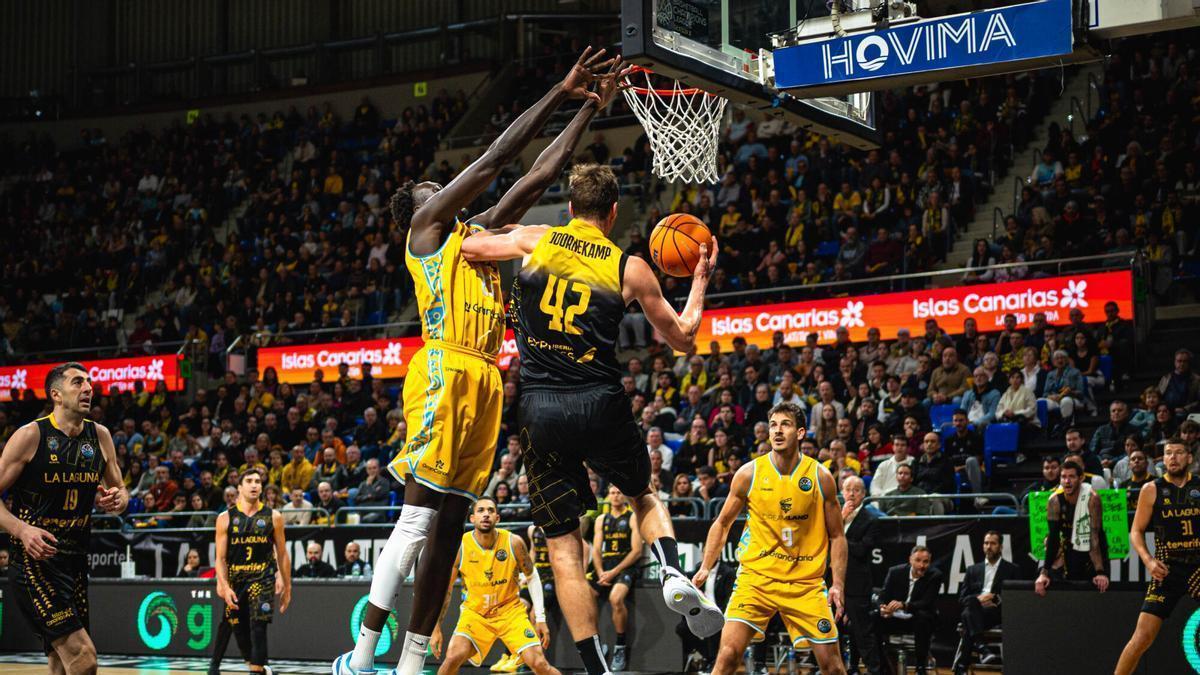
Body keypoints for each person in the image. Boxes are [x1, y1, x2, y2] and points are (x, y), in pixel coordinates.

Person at [336, 48, 621, 675]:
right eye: (431, 191)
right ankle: (361, 656)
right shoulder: (427, 233)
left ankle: (411, 662)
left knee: (450, 524)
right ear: (419, 211)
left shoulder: (475, 237)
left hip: (487, 379)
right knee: (416, 517)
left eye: (440, 188)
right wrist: (559, 88)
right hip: (443, 367)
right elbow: (496, 159)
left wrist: (588, 111)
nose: (441, 191)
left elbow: (538, 177)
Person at [461, 161, 724, 675]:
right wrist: (699, 279)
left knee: (563, 546)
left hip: (540, 408)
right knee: (643, 493)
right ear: (613, 212)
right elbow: (685, 336)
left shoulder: (537, 240)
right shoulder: (630, 267)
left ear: (570, 208)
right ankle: (672, 569)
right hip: (598, 398)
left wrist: (504, 226)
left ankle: (594, 668)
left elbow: (469, 246)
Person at [693, 403, 848, 675]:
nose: (777, 430)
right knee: (727, 656)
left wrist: (837, 584)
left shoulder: (820, 477)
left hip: (805, 583)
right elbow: (722, 522)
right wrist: (706, 565)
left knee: (833, 667)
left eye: (785, 424)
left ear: (800, 433)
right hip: (756, 580)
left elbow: (837, 535)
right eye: (773, 424)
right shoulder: (748, 474)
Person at [1, 363, 128, 674]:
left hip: (75, 562)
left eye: (89, 382)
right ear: (56, 394)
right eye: (77, 382)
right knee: (84, 659)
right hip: (35, 564)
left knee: (61, 663)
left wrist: (119, 499)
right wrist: (22, 530)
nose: (88, 388)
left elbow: (121, 490)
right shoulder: (31, 435)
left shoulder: (100, 436)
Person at [428, 498, 558, 675]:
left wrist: (541, 618)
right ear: (472, 518)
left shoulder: (514, 542)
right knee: (452, 658)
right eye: (481, 510)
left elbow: (532, 576)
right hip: (476, 614)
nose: (486, 514)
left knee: (539, 663)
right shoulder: (460, 546)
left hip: (510, 612)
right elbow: (447, 589)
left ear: (497, 518)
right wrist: (436, 627)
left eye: (490, 510)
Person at [1115, 438, 1200, 674]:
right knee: (1142, 637)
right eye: (1168, 453)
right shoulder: (1151, 489)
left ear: (1189, 458)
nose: (1173, 457)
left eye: (1179, 452)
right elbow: (1136, 531)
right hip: (1167, 569)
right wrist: (1148, 560)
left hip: (1198, 567)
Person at [210, 469, 291, 675]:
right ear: (240, 487)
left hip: (262, 578)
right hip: (236, 580)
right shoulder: (225, 518)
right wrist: (224, 584)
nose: (255, 484)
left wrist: (286, 584)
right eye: (249, 481)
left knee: (259, 626)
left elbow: (282, 554)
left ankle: (255, 672)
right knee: (236, 628)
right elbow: (220, 558)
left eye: (258, 481)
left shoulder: (274, 516)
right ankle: (253, 668)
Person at [1033, 461, 1109, 595]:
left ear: (1081, 478)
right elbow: (1053, 537)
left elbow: (1094, 537)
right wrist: (1044, 573)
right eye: (1063, 477)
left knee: (1099, 589)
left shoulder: (1092, 498)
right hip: (1072, 546)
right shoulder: (1054, 501)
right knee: (1074, 592)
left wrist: (1100, 572)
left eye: (1071, 477)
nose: (1067, 481)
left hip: (1095, 547)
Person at [589, 485, 643, 671]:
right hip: (605, 566)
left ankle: (620, 646)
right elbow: (596, 549)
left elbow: (637, 551)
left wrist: (612, 573)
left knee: (615, 598)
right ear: (607, 496)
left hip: (626, 566)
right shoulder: (601, 519)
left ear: (624, 496)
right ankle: (597, 644)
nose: (615, 496)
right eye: (612, 492)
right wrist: (600, 571)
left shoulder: (632, 517)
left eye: (619, 492)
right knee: (585, 596)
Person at [952, 532, 1020, 674]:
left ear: (1000, 547)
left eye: (993, 543)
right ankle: (981, 648)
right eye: (986, 543)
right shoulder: (972, 570)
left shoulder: (1012, 569)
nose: (988, 547)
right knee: (970, 607)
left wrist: (994, 599)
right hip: (976, 611)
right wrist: (979, 599)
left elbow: (1015, 598)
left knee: (967, 616)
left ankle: (966, 662)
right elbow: (962, 599)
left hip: (995, 612)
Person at [877, 546, 943, 675]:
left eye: (926, 562)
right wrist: (883, 608)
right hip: (894, 618)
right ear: (910, 560)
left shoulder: (935, 576)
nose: (922, 565)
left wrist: (904, 605)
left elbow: (926, 603)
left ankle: (920, 667)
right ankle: (881, 665)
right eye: (918, 560)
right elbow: (882, 597)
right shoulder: (895, 572)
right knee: (874, 617)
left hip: (916, 619)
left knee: (923, 618)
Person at [841, 475, 882, 675]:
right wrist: (839, 521)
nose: (851, 493)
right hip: (833, 583)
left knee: (863, 632)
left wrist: (838, 535)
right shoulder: (833, 515)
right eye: (848, 489)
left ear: (863, 495)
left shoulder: (870, 520)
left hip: (857, 584)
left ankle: (874, 670)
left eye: (856, 489)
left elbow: (861, 550)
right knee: (827, 629)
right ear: (841, 492)